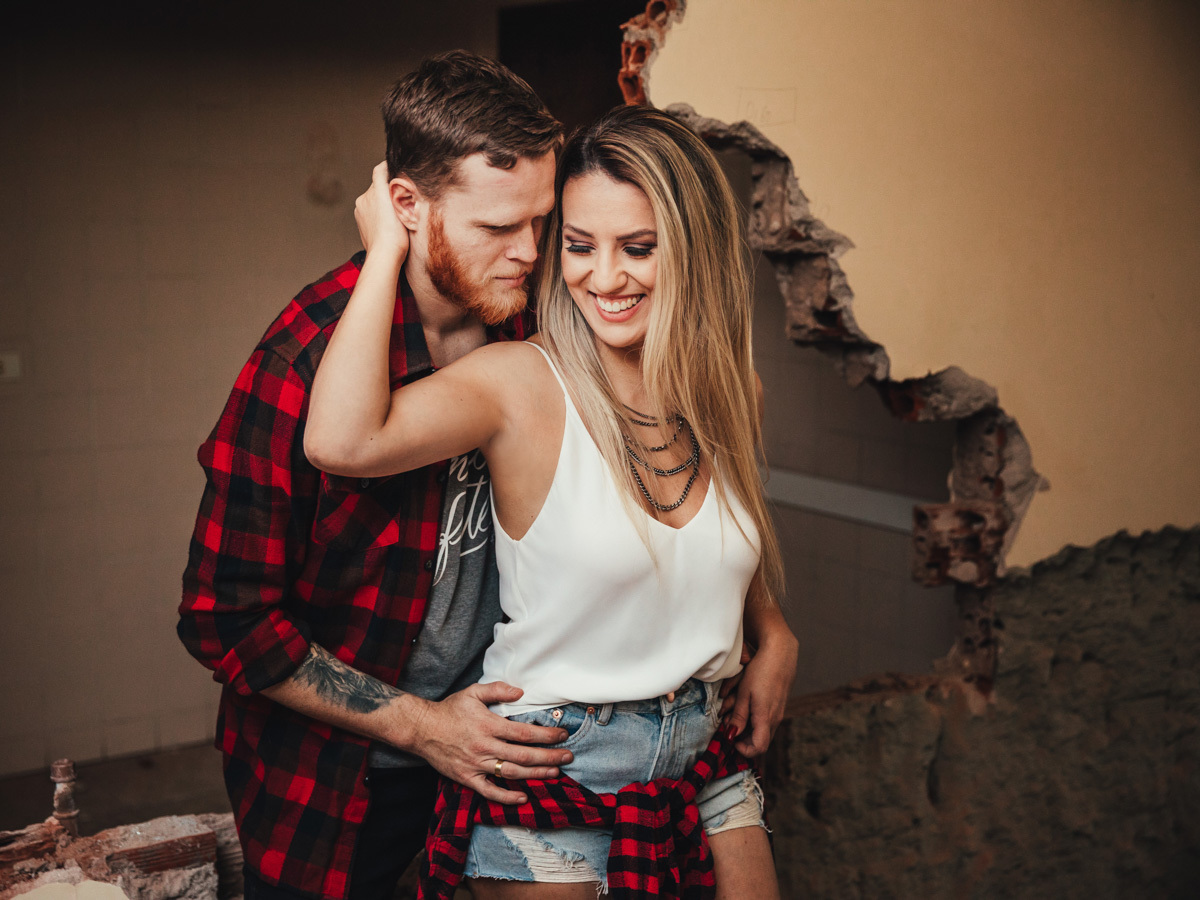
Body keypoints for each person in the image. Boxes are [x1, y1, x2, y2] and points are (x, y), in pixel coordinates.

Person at [304, 104, 800, 898]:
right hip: (556, 760)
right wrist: (386, 252)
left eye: (638, 248)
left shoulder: (735, 390)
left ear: (694, 250)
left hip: (707, 756)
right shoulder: (521, 384)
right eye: (579, 245)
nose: (604, 278)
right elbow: (342, 441)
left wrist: (773, 631)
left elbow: (714, 551)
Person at [176, 51, 571, 900]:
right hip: (332, 783)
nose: (530, 252)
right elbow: (225, 619)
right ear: (405, 206)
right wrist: (424, 728)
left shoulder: (537, 328)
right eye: (498, 227)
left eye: (541, 220)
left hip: (505, 746)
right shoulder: (302, 358)